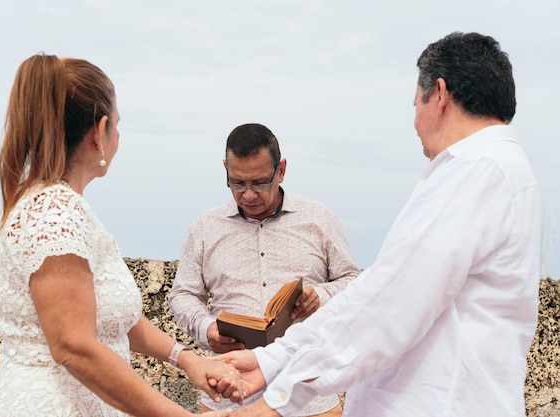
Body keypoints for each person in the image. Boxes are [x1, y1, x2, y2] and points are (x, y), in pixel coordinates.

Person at [214, 32, 541, 417]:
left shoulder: (477, 171)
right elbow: (374, 291)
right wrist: (273, 360)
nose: (415, 120)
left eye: (414, 102)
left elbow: (391, 305)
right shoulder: (493, 170)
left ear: (438, 94)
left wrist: (277, 400)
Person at [0, 53, 242, 417]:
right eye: (117, 124)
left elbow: (110, 317)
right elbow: (73, 346)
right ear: (100, 132)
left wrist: (187, 360)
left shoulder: (54, 205)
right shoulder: (54, 211)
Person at [169, 123, 361, 416]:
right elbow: (182, 294)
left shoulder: (319, 220)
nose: (247, 195)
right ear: (225, 170)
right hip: (228, 397)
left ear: (281, 170)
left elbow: (354, 282)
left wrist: (320, 296)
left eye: (259, 183)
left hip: (311, 399)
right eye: (237, 183)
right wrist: (206, 329)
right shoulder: (205, 227)